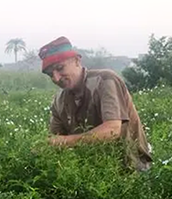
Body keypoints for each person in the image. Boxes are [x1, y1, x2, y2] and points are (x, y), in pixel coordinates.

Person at [38, 36, 152, 172]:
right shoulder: (59, 100)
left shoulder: (105, 80)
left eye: (60, 68)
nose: (56, 78)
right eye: (51, 74)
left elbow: (112, 130)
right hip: (92, 172)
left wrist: (64, 142)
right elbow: (54, 139)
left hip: (128, 168)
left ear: (76, 61)